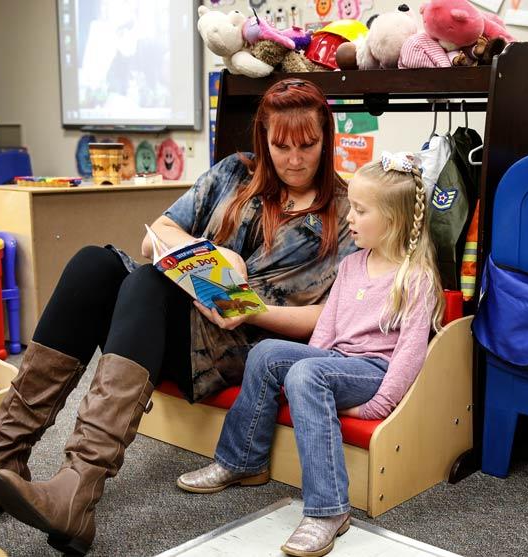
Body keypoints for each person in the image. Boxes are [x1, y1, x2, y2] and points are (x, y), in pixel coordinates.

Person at [0, 78, 356, 556]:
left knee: (145, 283)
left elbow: (334, 317)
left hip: (242, 347)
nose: (294, 159)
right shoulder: (234, 174)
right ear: (264, 140)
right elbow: (156, 234)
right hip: (174, 316)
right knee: (93, 264)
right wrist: (212, 254)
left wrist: (255, 309)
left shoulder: (343, 211)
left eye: (307, 145)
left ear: (327, 139)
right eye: (281, 146)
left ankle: (79, 484)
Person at [177, 152, 445, 557]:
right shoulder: (353, 265)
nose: (349, 218)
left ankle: (327, 510)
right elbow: (325, 333)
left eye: (359, 210)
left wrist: (376, 406)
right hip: (334, 362)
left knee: (305, 376)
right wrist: (307, 365)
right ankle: (243, 459)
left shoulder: (416, 277)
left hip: (372, 370)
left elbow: (409, 354)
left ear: (391, 220)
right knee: (266, 353)